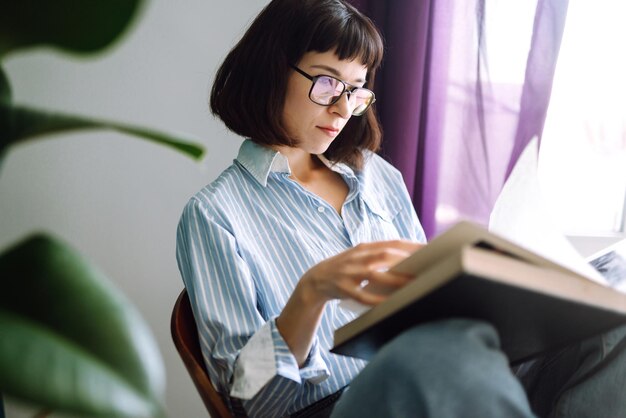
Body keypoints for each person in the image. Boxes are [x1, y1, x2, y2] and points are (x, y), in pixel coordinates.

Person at [176, 1, 626, 417]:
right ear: (272, 71)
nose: (341, 107)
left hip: (445, 376)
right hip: (345, 403)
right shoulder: (215, 215)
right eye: (327, 81)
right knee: (426, 354)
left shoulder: (377, 176)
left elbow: (428, 305)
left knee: (614, 308)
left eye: (355, 90)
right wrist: (309, 295)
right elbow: (247, 401)